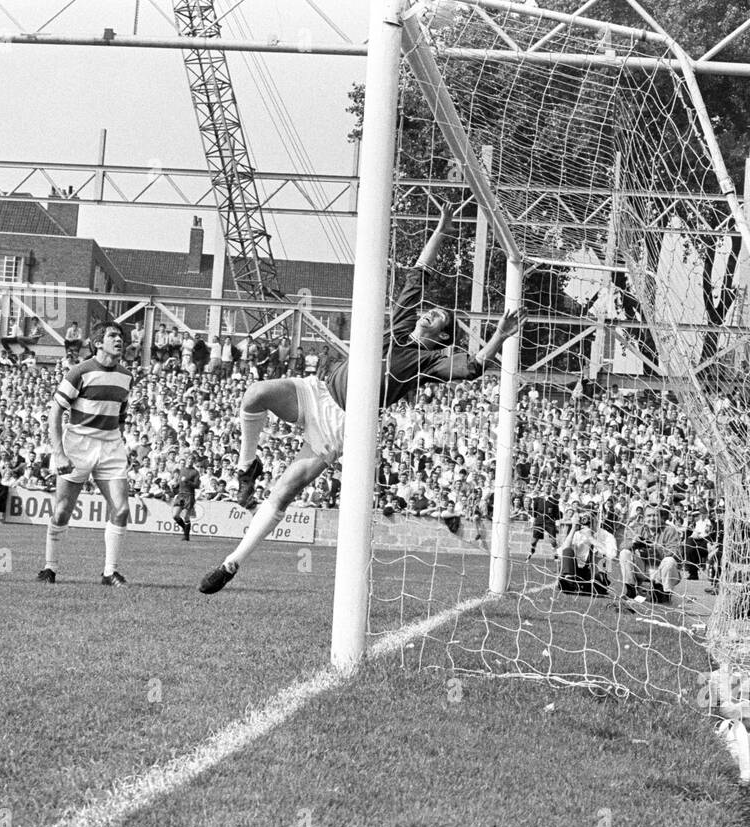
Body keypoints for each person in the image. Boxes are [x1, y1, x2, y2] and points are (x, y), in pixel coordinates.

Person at [199, 202, 522, 594]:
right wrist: (442, 228)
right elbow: (418, 271)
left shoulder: (429, 361)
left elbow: (472, 368)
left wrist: (498, 338)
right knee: (255, 394)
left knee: (283, 492)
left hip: (341, 426)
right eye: (430, 311)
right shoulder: (403, 322)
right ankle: (246, 466)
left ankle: (232, 563)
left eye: (438, 317)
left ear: (441, 336)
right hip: (317, 392)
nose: (430, 313)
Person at [36, 322, 134, 587]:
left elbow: (120, 415)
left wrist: (120, 444)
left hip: (110, 445)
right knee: (62, 511)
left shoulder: (126, 376)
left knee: (122, 509)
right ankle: (49, 568)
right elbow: (55, 412)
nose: (119, 340)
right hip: (78, 445)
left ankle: (109, 572)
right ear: (98, 343)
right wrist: (59, 453)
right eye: (113, 336)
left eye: (120, 336)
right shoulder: (79, 372)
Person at [172, 455, 201, 542]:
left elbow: (196, 485)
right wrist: (176, 485)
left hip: (189, 495)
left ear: (194, 461)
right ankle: (185, 528)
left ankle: (186, 536)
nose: (190, 461)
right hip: (181, 495)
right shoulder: (182, 470)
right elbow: (180, 481)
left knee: (185, 516)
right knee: (175, 515)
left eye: (192, 459)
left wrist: (187, 481)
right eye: (189, 459)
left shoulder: (195, 472)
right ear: (186, 460)